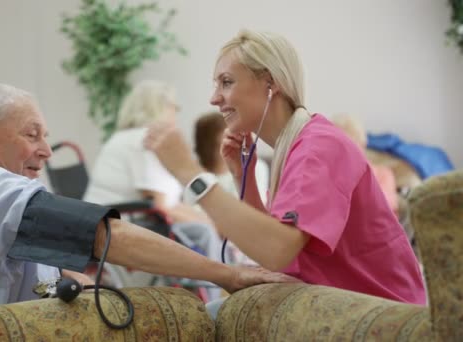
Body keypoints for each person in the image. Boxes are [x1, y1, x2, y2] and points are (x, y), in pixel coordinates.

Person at [0, 83, 295, 313]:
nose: (46, 150)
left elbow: (39, 265)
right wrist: (229, 274)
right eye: (32, 135)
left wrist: (92, 288)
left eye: (45, 136)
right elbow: (106, 236)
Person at [144, 30, 426, 307]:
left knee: (216, 314)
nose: (214, 98)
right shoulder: (294, 148)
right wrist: (244, 177)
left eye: (226, 82)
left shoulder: (318, 148)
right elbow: (271, 251)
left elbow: (276, 250)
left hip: (384, 312)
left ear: (271, 83)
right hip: (343, 304)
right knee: (219, 311)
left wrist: (191, 175)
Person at [84, 80, 209, 225]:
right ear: (162, 107)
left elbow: (170, 204)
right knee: (203, 232)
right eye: (175, 107)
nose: (176, 114)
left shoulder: (123, 137)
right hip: (123, 223)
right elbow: (161, 207)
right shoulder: (146, 140)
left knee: (206, 228)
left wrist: (212, 223)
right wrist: (212, 227)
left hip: (105, 220)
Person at [331, 113, 399, 214]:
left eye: (349, 145)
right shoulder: (328, 173)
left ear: (363, 144)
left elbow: (386, 208)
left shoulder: (383, 174)